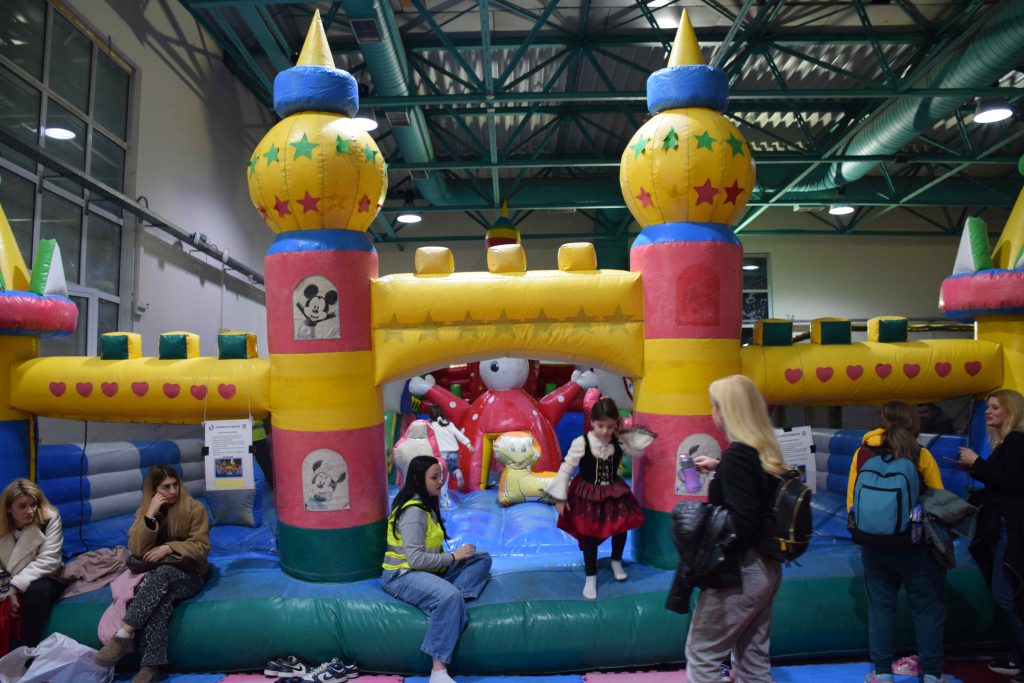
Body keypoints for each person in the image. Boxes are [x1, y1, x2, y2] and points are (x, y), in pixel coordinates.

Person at [684, 375, 786, 683]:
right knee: (752, 659)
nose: (712, 412)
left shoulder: (738, 457)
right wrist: (720, 468)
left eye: (714, 405)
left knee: (702, 655)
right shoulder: (762, 450)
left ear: (726, 411)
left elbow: (744, 521)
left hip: (742, 572)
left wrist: (712, 560)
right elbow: (757, 493)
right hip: (766, 569)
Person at [848, 400, 947, 683]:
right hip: (915, 544)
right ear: (913, 421)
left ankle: (882, 672)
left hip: (874, 544)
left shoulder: (862, 453)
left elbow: (852, 501)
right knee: (927, 609)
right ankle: (932, 674)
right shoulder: (920, 453)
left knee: (880, 608)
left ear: (881, 421)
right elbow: (938, 499)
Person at [95, 465, 210, 683]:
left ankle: (123, 634)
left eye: (175, 485)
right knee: (160, 601)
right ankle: (149, 668)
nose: (173, 491)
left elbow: (201, 547)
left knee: (163, 573)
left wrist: (169, 547)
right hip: (157, 579)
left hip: (190, 575)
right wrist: (149, 516)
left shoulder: (195, 508)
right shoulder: (147, 511)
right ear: (154, 490)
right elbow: (137, 549)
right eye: (166, 487)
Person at [381, 455, 491, 683]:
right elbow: (415, 560)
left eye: (440, 476)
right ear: (418, 479)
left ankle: (451, 605)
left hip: (428, 572)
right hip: (402, 575)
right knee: (449, 596)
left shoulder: (426, 504)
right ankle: (438, 671)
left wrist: (456, 558)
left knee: (481, 559)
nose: (440, 481)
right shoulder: (413, 512)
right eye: (434, 477)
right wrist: (452, 557)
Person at [544, 396, 650, 599]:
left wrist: (624, 431)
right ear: (592, 422)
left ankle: (616, 561)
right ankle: (590, 576)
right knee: (589, 534)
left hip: (613, 491)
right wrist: (560, 498)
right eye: (600, 425)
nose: (604, 431)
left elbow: (639, 449)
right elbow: (566, 468)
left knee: (621, 527)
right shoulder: (582, 443)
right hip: (589, 493)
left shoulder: (618, 441)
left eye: (610, 426)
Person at [956, 389, 1024, 682]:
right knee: (1007, 591)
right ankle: (1018, 655)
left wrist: (978, 464)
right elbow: (1002, 482)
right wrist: (975, 471)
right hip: (1004, 524)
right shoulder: (1007, 443)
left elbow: (1014, 483)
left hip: (1012, 527)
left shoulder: (1017, 441)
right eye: (988, 407)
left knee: (1007, 593)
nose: (988, 411)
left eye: (995, 407)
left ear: (1011, 411)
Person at [0, 479, 63, 650]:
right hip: (6, 579)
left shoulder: (49, 518)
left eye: (33, 505)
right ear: (8, 508)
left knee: (38, 591)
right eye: (22, 506)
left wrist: (14, 587)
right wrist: (5, 589)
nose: (30, 511)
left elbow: (49, 560)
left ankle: (25, 652)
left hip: (42, 576)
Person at [428, 404, 471, 490]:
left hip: (442, 454)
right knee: (453, 468)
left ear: (431, 416)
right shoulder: (449, 424)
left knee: (441, 474)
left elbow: (429, 440)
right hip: (454, 454)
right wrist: (468, 444)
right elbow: (459, 434)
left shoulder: (431, 426)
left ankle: (444, 496)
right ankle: (457, 473)